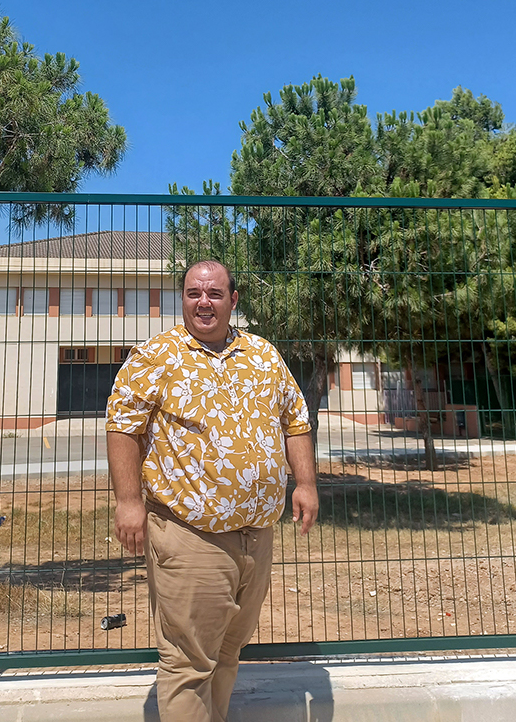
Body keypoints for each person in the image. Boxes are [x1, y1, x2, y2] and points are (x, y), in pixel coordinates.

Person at [105, 259, 319, 722]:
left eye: (215, 294)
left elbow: (295, 419)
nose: (204, 302)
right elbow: (123, 426)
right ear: (183, 298)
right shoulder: (155, 356)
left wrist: (305, 483)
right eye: (194, 293)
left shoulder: (263, 354)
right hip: (189, 537)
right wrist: (128, 502)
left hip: (256, 538)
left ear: (233, 300)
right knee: (188, 663)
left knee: (227, 653)